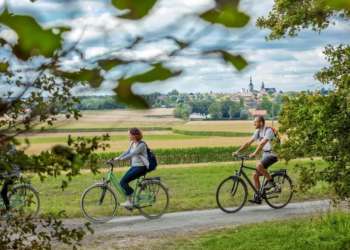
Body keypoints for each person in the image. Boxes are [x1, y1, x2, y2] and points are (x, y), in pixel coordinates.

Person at [233, 116, 278, 204]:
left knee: (259, 166)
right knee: (255, 175)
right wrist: (237, 151)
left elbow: (262, 144)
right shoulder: (258, 131)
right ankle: (258, 196)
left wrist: (255, 153)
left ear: (261, 123)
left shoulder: (269, 130)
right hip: (266, 154)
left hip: (274, 153)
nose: (254, 124)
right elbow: (248, 143)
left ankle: (272, 183)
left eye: (255, 122)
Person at [110, 128, 149, 208]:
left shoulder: (141, 145)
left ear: (134, 136)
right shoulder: (132, 143)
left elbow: (132, 154)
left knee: (123, 182)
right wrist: (118, 158)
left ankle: (130, 201)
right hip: (135, 166)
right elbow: (127, 152)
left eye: (129, 134)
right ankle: (131, 199)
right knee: (123, 181)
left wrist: (121, 159)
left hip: (142, 167)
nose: (128, 136)